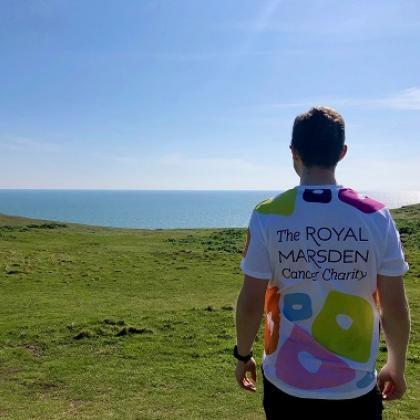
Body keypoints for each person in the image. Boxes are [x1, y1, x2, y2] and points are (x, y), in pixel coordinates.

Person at [234, 107, 411, 419]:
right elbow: (394, 306)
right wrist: (396, 364)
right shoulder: (375, 215)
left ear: (293, 152)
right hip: (355, 386)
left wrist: (243, 355)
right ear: (342, 153)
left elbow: (250, 302)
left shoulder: (268, 214)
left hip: (285, 385)